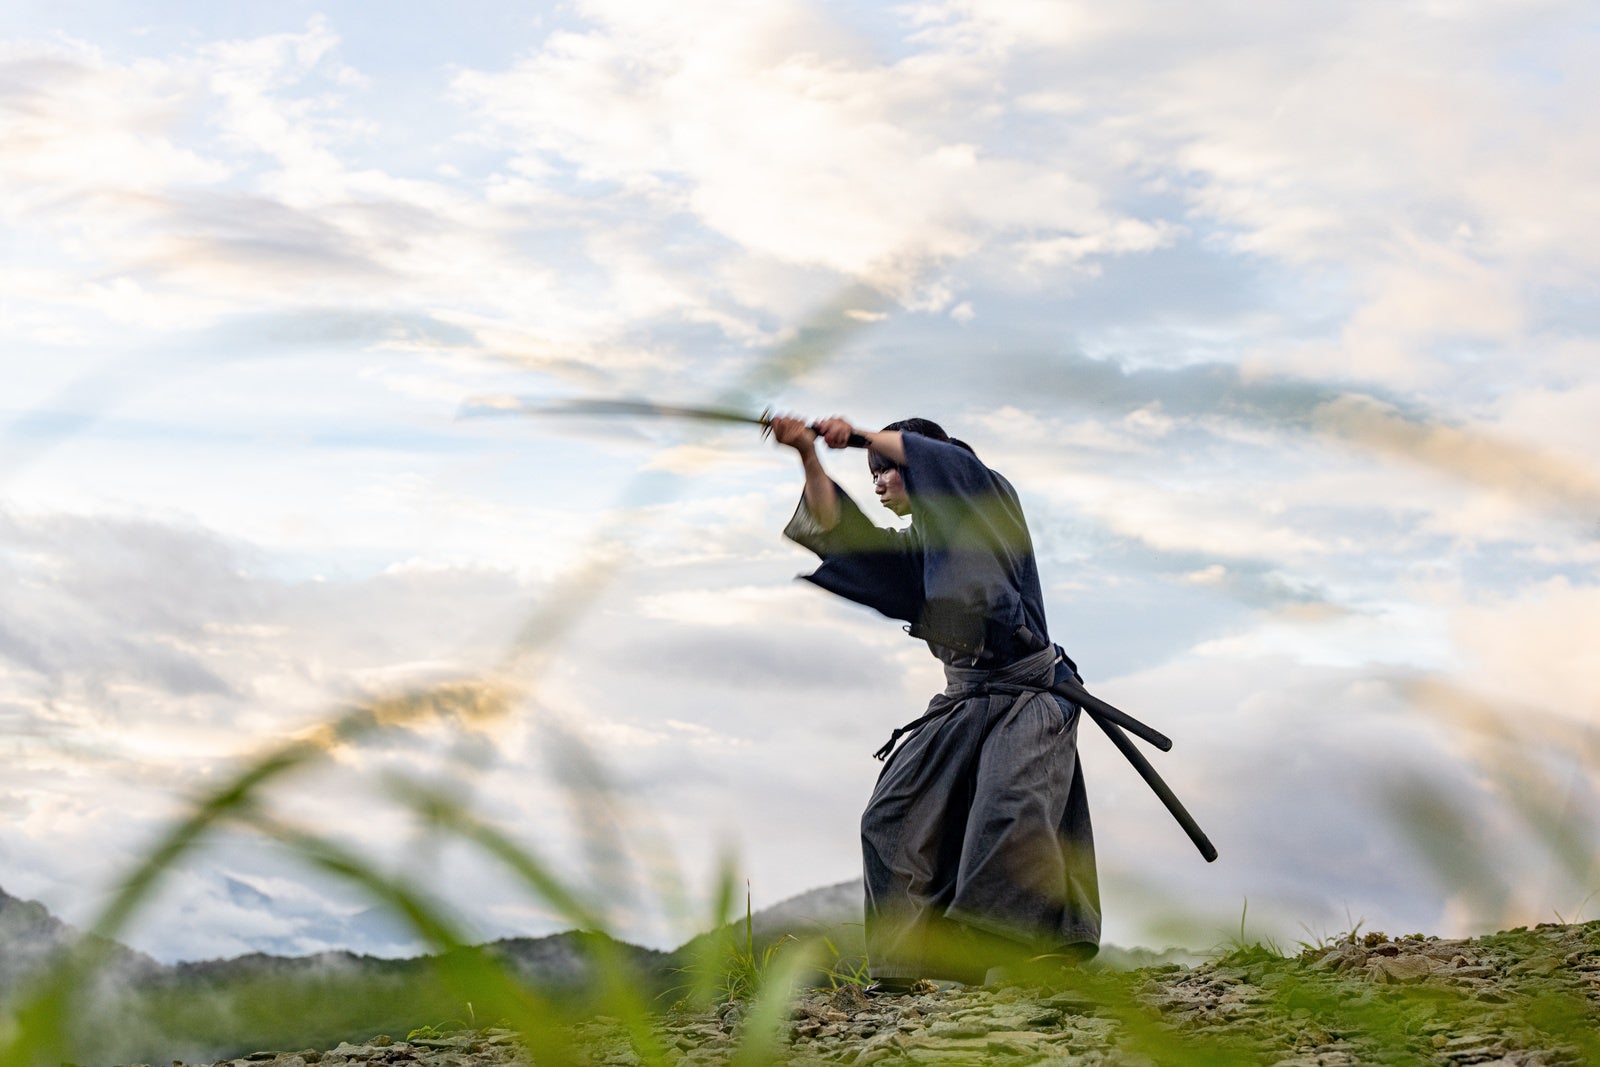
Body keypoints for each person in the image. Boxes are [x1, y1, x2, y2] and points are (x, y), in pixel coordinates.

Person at [768, 414, 1100, 989]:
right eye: (872, 474)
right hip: (964, 698)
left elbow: (942, 462)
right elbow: (842, 537)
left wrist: (862, 435)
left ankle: (1034, 955)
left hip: (1030, 692)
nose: (877, 482)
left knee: (1011, 807)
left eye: (887, 471)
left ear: (923, 465)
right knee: (892, 815)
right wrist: (808, 454)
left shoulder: (983, 496)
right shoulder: (918, 549)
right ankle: (904, 967)